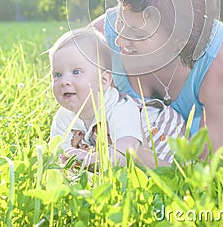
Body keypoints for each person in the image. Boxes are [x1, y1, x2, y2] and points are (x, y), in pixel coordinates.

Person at [91, 0, 223, 161]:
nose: (119, 40)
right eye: (121, 20)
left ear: (179, 40)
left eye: (137, 34)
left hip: (207, 92)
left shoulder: (217, 60)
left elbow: (210, 165)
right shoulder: (99, 37)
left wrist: (136, 157)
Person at [49, 26, 186, 168]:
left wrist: (93, 159)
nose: (64, 81)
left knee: (153, 169)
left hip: (160, 137)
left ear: (104, 81)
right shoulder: (63, 118)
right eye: (57, 74)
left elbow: (127, 150)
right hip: (113, 152)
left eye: (76, 71)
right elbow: (60, 154)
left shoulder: (121, 107)